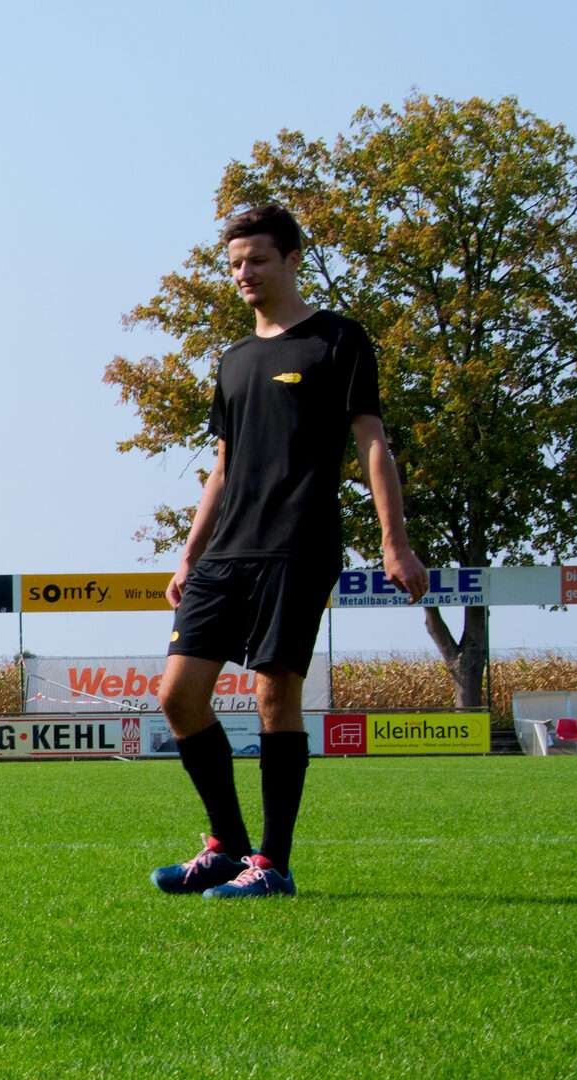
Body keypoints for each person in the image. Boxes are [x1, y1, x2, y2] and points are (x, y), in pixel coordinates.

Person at [151, 204, 426, 899]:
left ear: (292, 260)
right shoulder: (234, 358)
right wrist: (189, 555)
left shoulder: (336, 341)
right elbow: (222, 463)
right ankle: (225, 847)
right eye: (236, 263)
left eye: (259, 260)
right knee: (177, 695)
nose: (244, 273)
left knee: (276, 695)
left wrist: (396, 542)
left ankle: (272, 864)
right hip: (226, 552)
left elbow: (372, 443)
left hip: (296, 545)